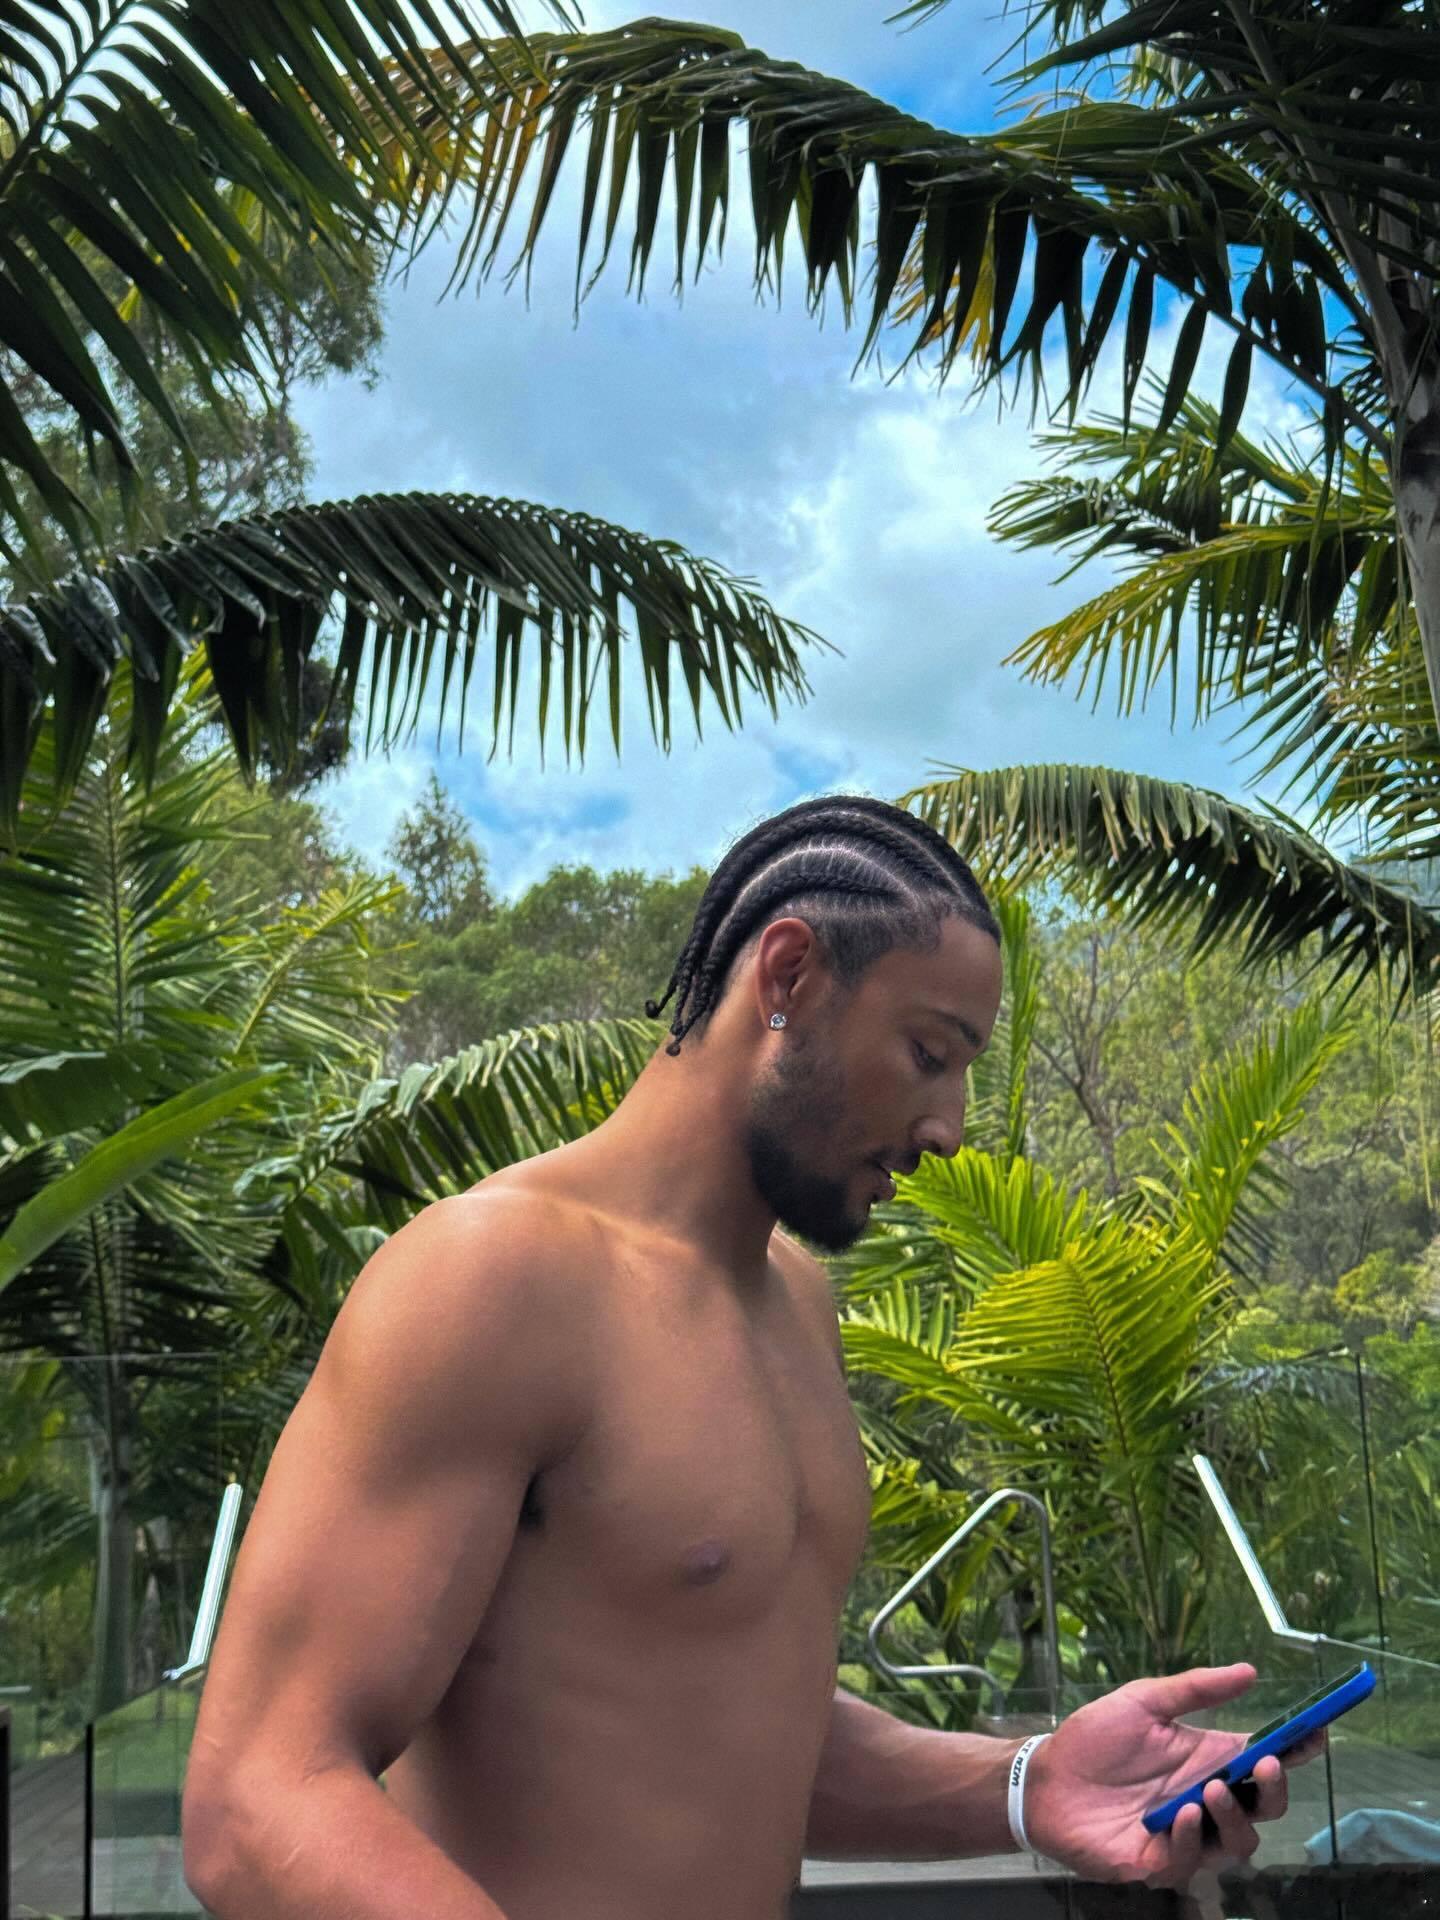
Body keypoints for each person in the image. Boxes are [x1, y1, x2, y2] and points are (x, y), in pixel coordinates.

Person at [180, 794, 1317, 1920]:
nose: (950, 1128)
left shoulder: (796, 1305)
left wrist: (1029, 1782)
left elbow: (727, 1735)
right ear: (788, 977)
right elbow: (259, 1797)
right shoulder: (493, 1277)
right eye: (928, 1053)